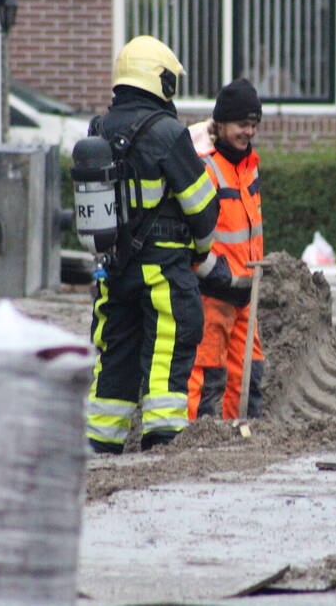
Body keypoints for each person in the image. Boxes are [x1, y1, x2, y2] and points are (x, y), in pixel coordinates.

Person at [85, 35, 219, 454]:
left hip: (113, 269)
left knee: (115, 352)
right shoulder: (168, 133)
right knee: (168, 347)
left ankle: (100, 444)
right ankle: (162, 442)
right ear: (160, 80)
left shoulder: (98, 129)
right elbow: (203, 209)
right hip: (163, 269)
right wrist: (200, 254)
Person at [186, 78, 266, 420]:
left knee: (250, 372)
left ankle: (242, 435)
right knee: (206, 375)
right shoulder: (205, 166)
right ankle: (192, 438)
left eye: (253, 125)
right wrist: (212, 272)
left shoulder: (248, 165)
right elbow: (190, 234)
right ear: (220, 124)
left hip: (245, 289)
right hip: (213, 291)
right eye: (241, 124)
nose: (249, 132)